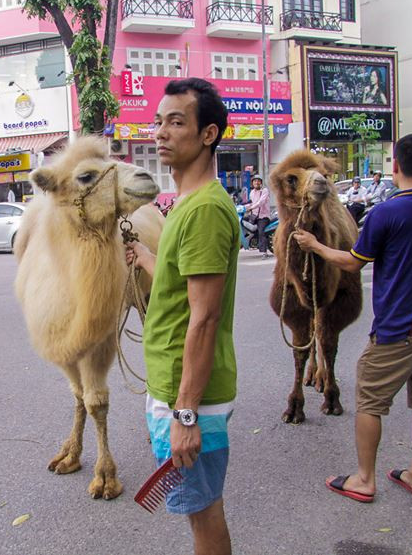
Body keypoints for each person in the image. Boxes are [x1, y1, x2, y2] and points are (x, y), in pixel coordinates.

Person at [293, 133, 412, 503]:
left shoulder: (386, 212)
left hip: (398, 328)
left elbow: (353, 261)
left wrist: (315, 246)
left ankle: (364, 479)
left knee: (369, 400)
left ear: (396, 166)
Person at [126, 78, 238, 555]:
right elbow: (179, 284)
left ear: (208, 133)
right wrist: (145, 257)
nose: (161, 133)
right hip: (172, 387)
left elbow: (205, 318)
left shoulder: (204, 211)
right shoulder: (186, 205)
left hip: (189, 396)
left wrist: (186, 413)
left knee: (204, 512)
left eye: (176, 122)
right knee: (197, 508)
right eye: (158, 122)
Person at [245, 175, 271, 258]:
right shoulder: (252, 192)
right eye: (255, 181)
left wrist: (251, 208)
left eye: (258, 181)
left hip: (263, 217)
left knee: (261, 232)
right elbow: (251, 202)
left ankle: (264, 252)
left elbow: (261, 202)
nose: (256, 182)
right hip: (254, 216)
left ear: (261, 183)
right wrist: (243, 207)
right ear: (252, 183)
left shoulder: (265, 191)